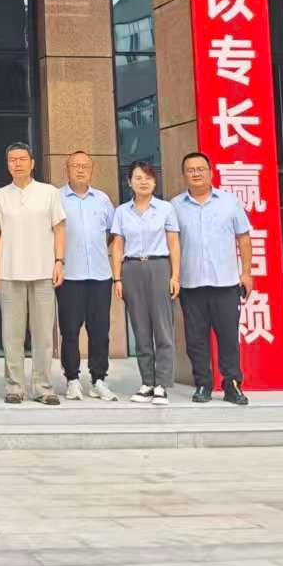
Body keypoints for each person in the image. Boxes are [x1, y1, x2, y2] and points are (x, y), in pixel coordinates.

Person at [171, 151, 252, 406]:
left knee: (228, 337)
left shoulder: (229, 202)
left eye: (200, 169)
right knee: (196, 340)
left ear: (211, 172)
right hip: (191, 284)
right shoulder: (175, 206)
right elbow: (171, 244)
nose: (196, 173)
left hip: (225, 284)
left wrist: (246, 272)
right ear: (184, 175)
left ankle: (232, 385)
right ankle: (203, 384)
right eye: (190, 170)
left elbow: (243, 237)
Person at [0, 142, 66, 406]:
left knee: (43, 334)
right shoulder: (0, 196)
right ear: (7, 164)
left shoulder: (49, 193)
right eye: (12, 159)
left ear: (32, 163)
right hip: (10, 272)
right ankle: (14, 386)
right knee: (12, 334)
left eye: (22, 159)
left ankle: (43, 387)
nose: (18, 163)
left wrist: (59, 262)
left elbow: (59, 229)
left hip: (43, 271)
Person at [109, 159, 181, 407]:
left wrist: (175, 276)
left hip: (159, 267)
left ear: (155, 182)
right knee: (140, 329)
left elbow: (174, 244)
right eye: (138, 178)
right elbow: (118, 246)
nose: (143, 182)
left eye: (148, 178)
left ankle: (162, 384)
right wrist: (117, 278)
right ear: (129, 182)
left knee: (162, 328)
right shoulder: (122, 212)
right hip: (131, 269)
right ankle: (147, 382)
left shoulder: (165, 209)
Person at [57, 151, 117, 401]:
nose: (80, 170)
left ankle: (98, 379)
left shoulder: (102, 199)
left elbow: (112, 232)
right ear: (67, 169)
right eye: (75, 166)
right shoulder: (57, 198)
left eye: (85, 166)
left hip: (100, 275)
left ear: (92, 170)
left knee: (100, 330)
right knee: (70, 330)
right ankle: (72, 379)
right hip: (69, 276)